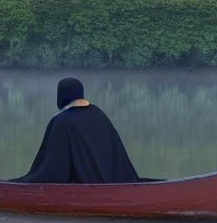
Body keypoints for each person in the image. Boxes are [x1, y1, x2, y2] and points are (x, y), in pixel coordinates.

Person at [9, 77, 142, 184]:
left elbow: (54, 169)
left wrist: (24, 183)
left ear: (61, 96)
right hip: (113, 182)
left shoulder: (62, 121)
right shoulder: (98, 113)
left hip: (88, 189)